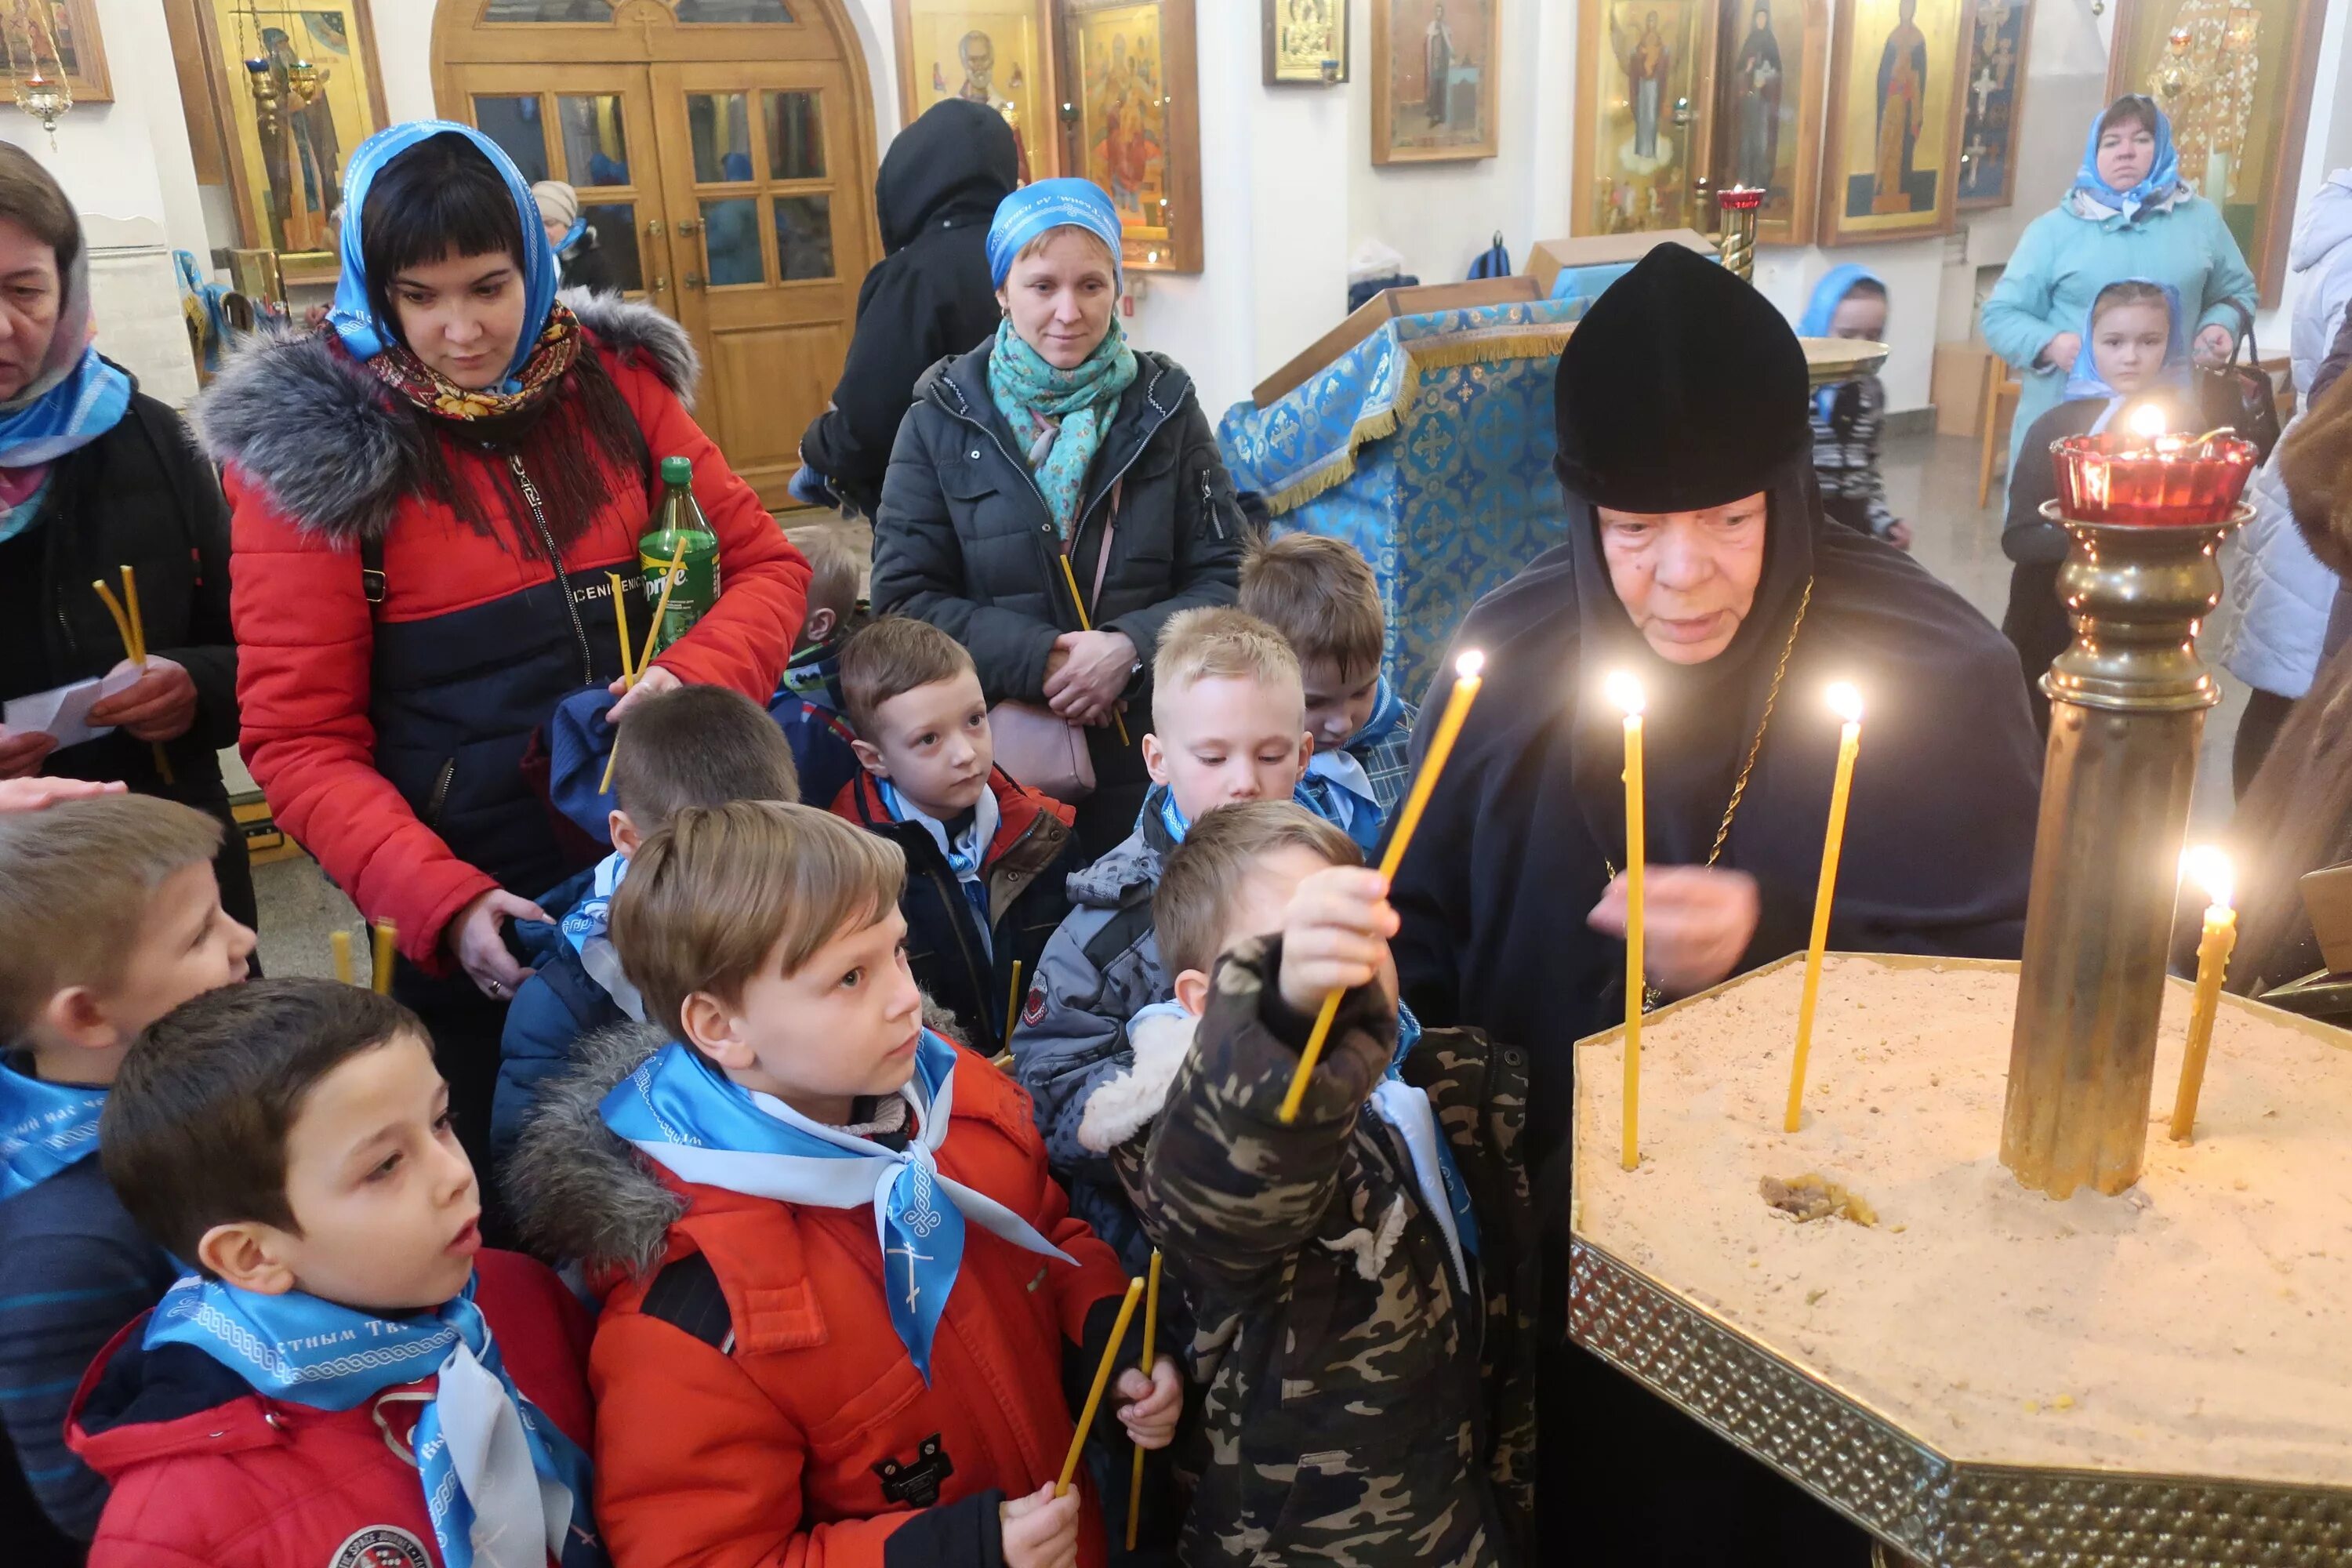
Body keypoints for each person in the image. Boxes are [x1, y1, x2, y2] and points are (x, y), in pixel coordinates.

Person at [1388, 243, 2041, 1564]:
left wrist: (1781, 936)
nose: (1682, 577)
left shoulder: (1943, 669)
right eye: (1634, 533)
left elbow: (2011, 978)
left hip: (1824, 1281)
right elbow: (1429, 949)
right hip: (1559, 1268)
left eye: (1730, 523)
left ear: (1788, 497)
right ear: (1584, 517)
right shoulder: (1507, 668)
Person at [201, 121, 808, 1187]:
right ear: (372, 286)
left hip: (676, 863)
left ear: (534, 259)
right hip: (492, 903)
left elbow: (767, 566)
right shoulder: (315, 452)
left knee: (739, 1164)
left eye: (489, 286)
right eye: (419, 296)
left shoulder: (614, 385)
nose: (462, 330)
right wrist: (443, 901)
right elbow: (297, 740)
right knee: (543, 1191)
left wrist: (688, 677)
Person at [506, 800, 1178, 1568]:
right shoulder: (694, 1316)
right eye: (851, 976)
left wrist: (1104, 1337)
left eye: (897, 951)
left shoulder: (951, 1099)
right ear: (722, 1027)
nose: (902, 997)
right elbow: (702, 1554)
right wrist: (951, 1551)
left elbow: (1048, 1231)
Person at [1120, 802, 1535, 1566]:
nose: (1340, 965)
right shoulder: (1213, 1135)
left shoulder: (1432, 1090)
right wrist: (1275, 1024)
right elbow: (1224, 1191)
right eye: (1293, 952)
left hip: (1463, 1508)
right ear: (1208, 1003)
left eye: (1354, 931)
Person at [70, 980, 601, 1568]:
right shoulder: (177, 1526)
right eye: (385, 1166)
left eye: (442, 1120)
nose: (454, 1173)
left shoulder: (521, 1294)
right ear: (253, 1256)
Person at [870, 178, 1245, 856]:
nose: (1068, 312)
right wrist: (1040, 658)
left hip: (1158, 755)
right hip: (1003, 768)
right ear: (1001, 291)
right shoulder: (938, 422)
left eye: (1092, 286)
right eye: (1042, 286)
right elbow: (904, 603)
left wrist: (1131, 647)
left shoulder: (1166, 409)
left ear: (1117, 288)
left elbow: (1229, 576)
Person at [1013, 605, 1328, 1275]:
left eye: (1270, 755)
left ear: (1302, 755)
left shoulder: (1326, 868)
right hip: (1177, 1249)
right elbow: (1051, 1093)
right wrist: (1176, 1080)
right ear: (1157, 759)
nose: (1243, 780)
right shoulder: (1110, 925)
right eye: (1212, 757)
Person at [0, 144, 255, 935]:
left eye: (25, 290)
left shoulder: (145, 434)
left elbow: (251, 637)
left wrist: (193, 683)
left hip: (169, 854)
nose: (3, 326)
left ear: (69, 285)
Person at [0, 796, 255, 1555]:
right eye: (203, 933)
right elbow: (88, 1495)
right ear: (85, 1016)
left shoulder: (195, 1087)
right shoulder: (66, 1243)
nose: (245, 939)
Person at [492, 683, 800, 1175]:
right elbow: (536, 1185)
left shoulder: (826, 928)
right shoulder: (565, 1002)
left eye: (771, 846)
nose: (743, 882)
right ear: (627, 837)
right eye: (705, 857)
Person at [833, 617, 1083, 1058]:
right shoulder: (848, 873)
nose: (966, 753)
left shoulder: (1047, 832)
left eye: (974, 720)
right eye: (929, 739)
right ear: (874, 759)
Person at [1981, 94, 2257, 489]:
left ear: (2162, 147)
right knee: (2060, 537)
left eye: (2142, 139)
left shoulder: (2201, 220)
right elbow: (2000, 315)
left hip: (2170, 426)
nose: (2126, 152)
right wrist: (2050, 343)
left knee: (2163, 533)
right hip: (2067, 424)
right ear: (2095, 154)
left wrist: (2220, 325)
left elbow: (2237, 291)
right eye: (2111, 142)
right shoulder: (2054, 230)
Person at [797, 100, 1018, 519]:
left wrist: (816, 447)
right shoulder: (1031, 257)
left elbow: (869, 426)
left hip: (937, 519)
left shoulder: (914, 276)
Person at [2002, 279, 2190, 734]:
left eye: (2150, 341)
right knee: (2044, 736)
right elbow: (2020, 537)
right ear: (2090, 342)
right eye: (2114, 342)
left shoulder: (2186, 430)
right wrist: (2103, 539)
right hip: (2052, 615)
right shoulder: (2055, 428)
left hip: (2145, 621)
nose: (2131, 356)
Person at [2216, 167, 2352, 792]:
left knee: (2285, 715)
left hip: (2305, 501)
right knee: (2297, 732)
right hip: (2325, 515)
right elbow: (2335, 396)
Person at [1239, 532, 1420, 854]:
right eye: (1315, 702)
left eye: (1362, 691)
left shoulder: (1414, 736)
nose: (1343, 723)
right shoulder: (1233, 771)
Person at [1797, 265, 1912, 547]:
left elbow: (1868, 467)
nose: (1860, 347)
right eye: (1847, 335)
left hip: (1854, 522)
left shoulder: (1871, 393)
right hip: (1800, 523)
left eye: (1873, 336)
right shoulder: (1793, 390)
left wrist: (1884, 521)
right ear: (1820, 327)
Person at [531, 178, 621, 295]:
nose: (543, 231)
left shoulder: (594, 261)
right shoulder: (524, 260)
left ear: (568, 225)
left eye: (550, 223)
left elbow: (611, 307)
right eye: (537, 224)